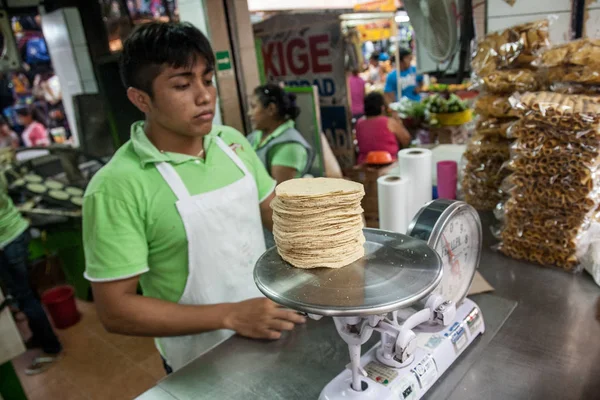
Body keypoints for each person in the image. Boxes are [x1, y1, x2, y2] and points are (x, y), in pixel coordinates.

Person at [82, 22, 305, 374]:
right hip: (201, 358)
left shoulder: (231, 142)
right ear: (141, 99)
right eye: (182, 85)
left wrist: (327, 237)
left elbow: (273, 212)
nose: (204, 96)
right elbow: (115, 310)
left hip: (271, 318)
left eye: (207, 79)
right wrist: (230, 315)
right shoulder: (116, 187)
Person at [0, 173, 62, 374]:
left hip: (6, 240)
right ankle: (39, 334)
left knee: (24, 297)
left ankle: (52, 347)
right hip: (17, 230)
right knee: (27, 291)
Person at [247, 84, 314, 183]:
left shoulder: (290, 146)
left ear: (271, 109)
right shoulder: (255, 137)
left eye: (253, 107)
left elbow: (279, 191)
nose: (249, 113)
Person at [355, 92, 411, 164]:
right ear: (382, 108)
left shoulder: (359, 123)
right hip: (388, 163)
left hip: (364, 163)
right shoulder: (389, 122)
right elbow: (406, 139)